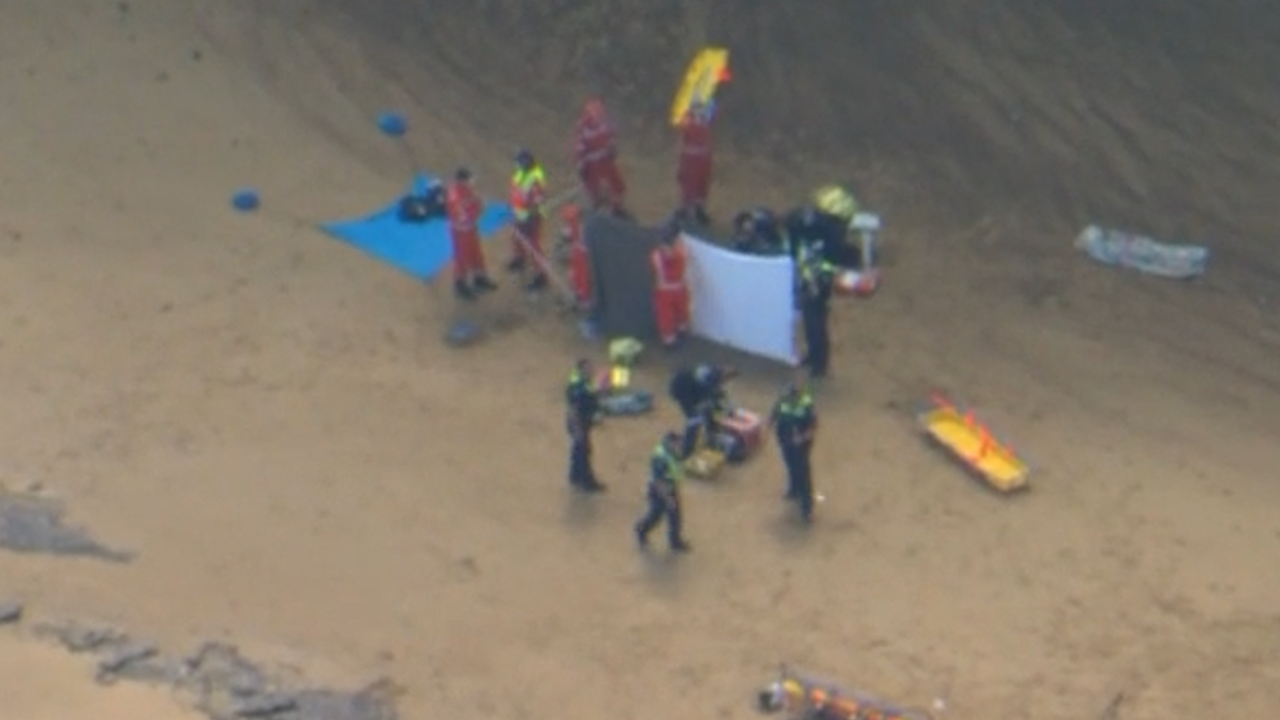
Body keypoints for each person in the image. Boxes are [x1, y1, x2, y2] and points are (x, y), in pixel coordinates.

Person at [445, 167, 498, 300]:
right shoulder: (455, 196)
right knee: (462, 259)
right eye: (469, 179)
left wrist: (477, 203)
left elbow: (473, 200)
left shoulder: (464, 190)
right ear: (463, 180)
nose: (472, 182)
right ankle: (460, 285)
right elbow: (463, 216)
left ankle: (479, 278)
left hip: (470, 229)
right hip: (460, 231)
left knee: (476, 254)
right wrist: (479, 208)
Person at [634, 431, 692, 553]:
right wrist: (668, 498)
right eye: (677, 444)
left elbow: (675, 471)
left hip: (670, 487)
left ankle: (675, 542)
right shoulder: (661, 459)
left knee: (675, 516)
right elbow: (658, 482)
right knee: (655, 516)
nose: (680, 447)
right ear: (670, 443)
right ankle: (641, 529)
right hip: (659, 492)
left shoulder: (673, 452)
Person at [769, 382, 818, 522]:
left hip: (800, 446)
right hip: (785, 440)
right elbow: (775, 412)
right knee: (790, 465)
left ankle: (807, 509)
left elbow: (813, 426)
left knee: (803, 474)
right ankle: (793, 489)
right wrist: (769, 422)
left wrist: (802, 438)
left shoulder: (806, 404)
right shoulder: (783, 400)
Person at [668, 363, 737, 458]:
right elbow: (711, 397)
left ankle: (711, 434)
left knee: (707, 408)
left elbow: (717, 393)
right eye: (725, 380)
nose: (725, 383)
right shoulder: (710, 380)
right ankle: (686, 451)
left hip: (690, 385)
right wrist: (726, 409)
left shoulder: (715, 371)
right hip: (683, 391)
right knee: (695, 420)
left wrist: (726, 405)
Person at [573, 99, 628, 216]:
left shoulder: (605, 124)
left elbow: (611, 137)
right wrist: (581, 165)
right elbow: (580, 148)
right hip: (591, 165)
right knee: (594, 190)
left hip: (605, 161)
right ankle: (596, 209)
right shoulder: (583, 128)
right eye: (595, 114)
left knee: (617, 185)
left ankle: (617, 208)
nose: (598, 117)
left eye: (600, 114)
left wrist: (612, 148)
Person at [508, 148, 549, 291]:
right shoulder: (520, 174)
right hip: (519, 215)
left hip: (532, 219)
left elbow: (539, 201)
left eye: (519, 162)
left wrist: (532, 218)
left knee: (534, 247)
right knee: (516, 239)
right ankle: (519, 259)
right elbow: (515, 193)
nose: (516, 164)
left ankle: (541, 276)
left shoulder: (535, 178)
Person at [796, 239, 837, 378]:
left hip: (819, 290)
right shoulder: (804, 243)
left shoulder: (824, 244)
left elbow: (829, 268)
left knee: (818, 327)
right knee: (809, 324)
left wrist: (820, 286)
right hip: (807, 286)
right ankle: (812, 355)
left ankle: (820, 364)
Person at [565, 358, 606, 493]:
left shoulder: (586, 382)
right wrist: (578, 429)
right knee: (584, 451)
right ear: (581, 370)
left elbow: (592, 396)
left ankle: (574, 476)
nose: (591, 371)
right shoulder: (577, 386)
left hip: (584, 421)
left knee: (577, 450)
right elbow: (573, 409)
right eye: (588, 369)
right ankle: (588, 482)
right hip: (578, 423)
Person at [650, 224, 691, 349]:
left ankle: (680, 330)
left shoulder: (679, 251)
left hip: (675, 288)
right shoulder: (658, 255)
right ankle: (669, 339)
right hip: (666, 290)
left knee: (681, 311)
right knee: (666, 315)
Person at [676, 99, 714, 225]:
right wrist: (681, 164)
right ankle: (687, 212)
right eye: (697, 108)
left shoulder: (704, 122)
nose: (700, 111)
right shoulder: (688, 122)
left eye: (701, 108)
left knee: (701, 187)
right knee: (690, 187)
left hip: (703, 160)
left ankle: (699, 210)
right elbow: (683, 142)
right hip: (691, 160)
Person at [560, 203, 592, 310]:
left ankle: (585, 298)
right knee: (575, 274)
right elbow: (567, 236)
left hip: (583, 254)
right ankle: (578, 293)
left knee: (583, 276)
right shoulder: (574, 225)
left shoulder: (583, 227)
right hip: (577, 253)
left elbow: (570, 237)